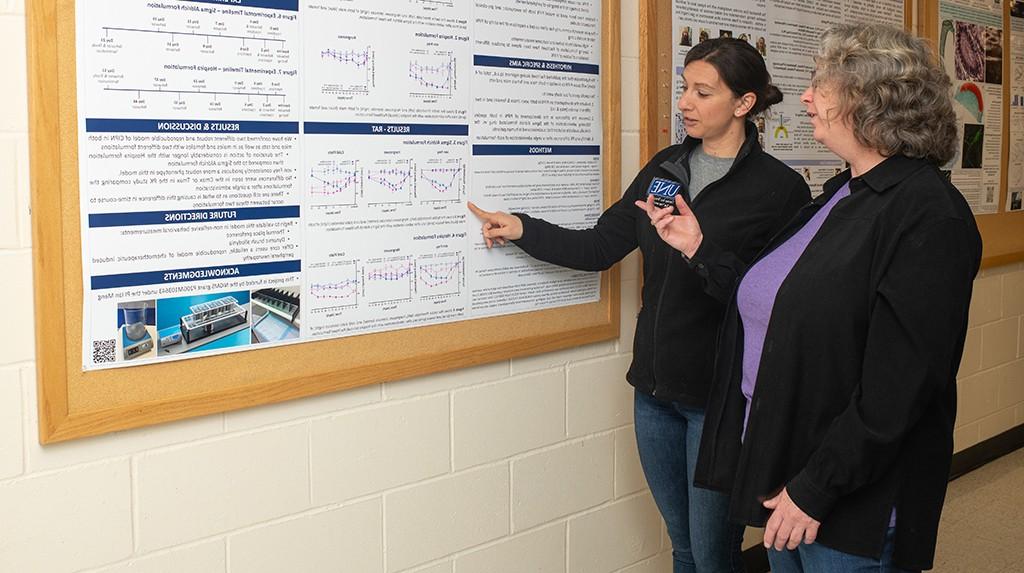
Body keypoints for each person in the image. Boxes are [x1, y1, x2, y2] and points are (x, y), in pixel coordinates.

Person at [639, 23, 982, 572]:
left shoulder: (925, 213)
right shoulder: (844, 193)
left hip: (845, 499)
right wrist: (697, 246)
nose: (804, 97)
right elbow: (777, 303)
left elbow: (900, 386)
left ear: (870, 100)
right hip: (789, 474)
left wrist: (816, 488)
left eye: (820, 85)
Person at [469, 38, 810, 573]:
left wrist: (700, 249)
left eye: (703, 92)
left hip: (717, 402)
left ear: (744, 104)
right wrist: (521, 229)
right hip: (653, 393)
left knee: (711, 553)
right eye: (683, 89)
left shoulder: (781, 190)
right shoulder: (666, 169)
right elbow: (602, 246)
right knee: (681, 543)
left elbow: (772, 301)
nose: (685, 104)